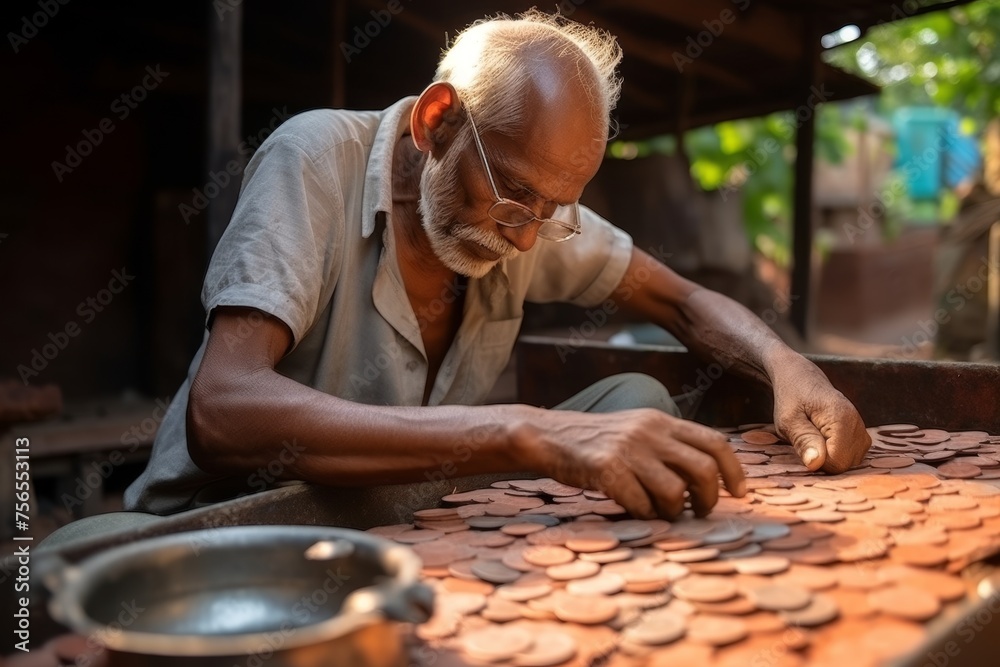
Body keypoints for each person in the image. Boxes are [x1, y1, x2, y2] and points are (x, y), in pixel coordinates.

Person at [125, 10, 871, 520]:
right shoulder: (315, 159)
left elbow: (680, 303)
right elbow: (221, 411)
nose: (523, 238)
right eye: (513, 193)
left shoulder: (531, 217)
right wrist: (525, 432)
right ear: (437, 119)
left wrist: (785, 365)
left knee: (634, 397)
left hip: (389, 505)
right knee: (69, 564)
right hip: (239, 516)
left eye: (554, 209)